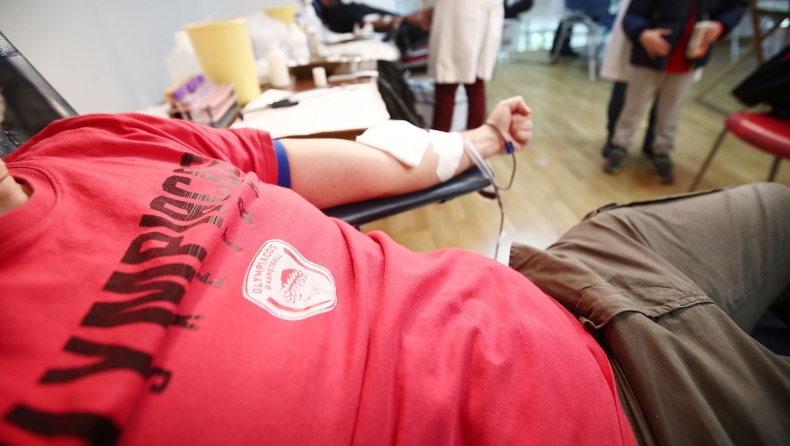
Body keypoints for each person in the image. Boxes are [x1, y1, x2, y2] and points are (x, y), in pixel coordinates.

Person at [1, 95, 789, 445]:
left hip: (564, 286)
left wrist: (475, 142)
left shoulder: (89, 143)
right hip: (640, 418)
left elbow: (317, 162)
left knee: (776, 206)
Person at [603, 0, 746, 183]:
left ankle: (662, 150)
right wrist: (643, 33)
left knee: (670, 112)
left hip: (688, 61)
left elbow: (735, 7)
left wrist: (721, 25)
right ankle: (619, 146)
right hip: (649, 57)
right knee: (632, 106)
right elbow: (632, 15)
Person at [426, 0, 504, 132]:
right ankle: (477, 141)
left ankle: (439, 142)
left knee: (447, 85)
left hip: (457, 10)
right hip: (489, 12)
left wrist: (426, 6)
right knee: (475, 83)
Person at [598, 0, 657, 158]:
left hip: (679, 36)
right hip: (638, 28)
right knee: (624, 87)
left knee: (667, 99)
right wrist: (641, 31)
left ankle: (654, 143)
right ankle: (615, 139)